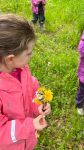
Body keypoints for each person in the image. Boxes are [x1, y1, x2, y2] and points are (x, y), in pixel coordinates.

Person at [0, 14, 51, 150]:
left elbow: (32, 86)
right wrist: (30, 125)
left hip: (27, 140)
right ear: (10, 58)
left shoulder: (21, 68)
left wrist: (39, 105)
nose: (31, 55)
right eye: (28, 53)